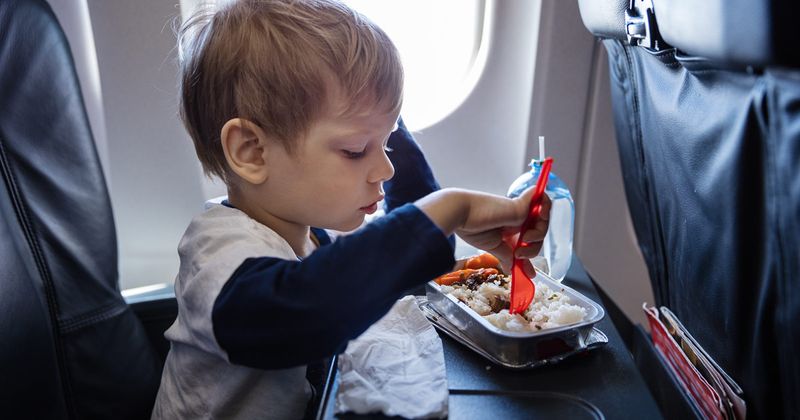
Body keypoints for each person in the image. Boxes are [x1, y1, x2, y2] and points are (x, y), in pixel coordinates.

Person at [151, 0, 550, 418]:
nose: (386, 167)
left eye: (388, 143)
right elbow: (306, 311)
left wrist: (452, 217)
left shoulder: (308, 234)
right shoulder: (217, 256)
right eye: (356, 150)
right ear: (252, 151)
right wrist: (450, 208)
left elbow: (379, 264)